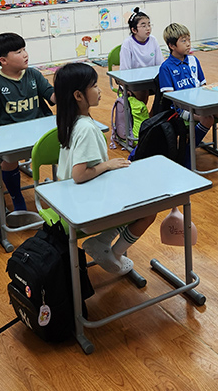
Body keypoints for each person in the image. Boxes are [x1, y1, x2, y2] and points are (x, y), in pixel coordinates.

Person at [55, 62, 156, 275]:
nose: (100, 90)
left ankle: (103, 240)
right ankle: (113, 252)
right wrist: (107, 165)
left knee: (133, 191)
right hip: (84, 206)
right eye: (94, 86)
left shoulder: (70, 120)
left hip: (68, 200)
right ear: (78, 95)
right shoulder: (86, 129)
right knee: (149, 210)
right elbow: (79, 175)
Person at [0, 33, 55, 212]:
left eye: (24, 49)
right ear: (3, 60)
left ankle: (60, 189)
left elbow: (51, 95)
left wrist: (68, 89)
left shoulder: (33, 74)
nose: (25, 54)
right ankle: (16, 195)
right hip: (11, 132)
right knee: (9, 161)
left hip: (38, 127)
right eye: (18, 52)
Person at [158, 22, 218, 169]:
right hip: (181, 109)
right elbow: (169, 97)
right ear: (172, 46)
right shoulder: (166, 67)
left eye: (189, 40)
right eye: (183, 41)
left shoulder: (193, 60)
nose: (189, 44)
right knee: (206, 118)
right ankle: (188, 156)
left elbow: (203, 85)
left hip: (200, 103)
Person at [119, 7, 162, 104]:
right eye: (143, 26)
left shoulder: (153, 40)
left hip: (151, 80)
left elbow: (160, 64)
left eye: (149, 25)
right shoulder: (127, 44)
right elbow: (125, 70)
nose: (148, 28)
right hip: (135, 82)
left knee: (165, 90)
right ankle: (144, 117)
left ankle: (155, 115)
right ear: (134, 30)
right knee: (143, 92)